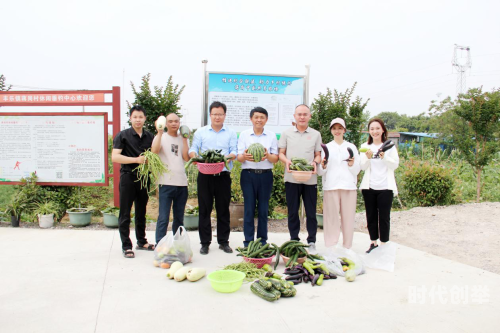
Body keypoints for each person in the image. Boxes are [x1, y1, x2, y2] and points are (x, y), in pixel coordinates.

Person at [189, 101, 237, 255]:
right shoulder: (200, 132)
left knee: (223, 210)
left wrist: (224, 158)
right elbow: (193, 149)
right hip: (205, 175)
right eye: (215, 114)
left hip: (223, 175)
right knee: (204, 210)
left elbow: (234, 152)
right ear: (210, 115)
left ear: (224, 115)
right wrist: (195, 157)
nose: (217, 117)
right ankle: (205, 243)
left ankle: (223, 242)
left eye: (220, 114)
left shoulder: (230, 133)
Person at [112, 105, 155, 258]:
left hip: (143, 178)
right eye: (135, 117)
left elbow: (155, 155)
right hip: (128, 177)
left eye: (140, 117)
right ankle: (126, 245)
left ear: (145, 119)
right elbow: (115, 157)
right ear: (130, 118)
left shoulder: (150, 137)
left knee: (141, 211)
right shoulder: (122, 136)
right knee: (125, 212)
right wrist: (136, 160)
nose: (138, 120)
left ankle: (142, 241)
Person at [278, 104, 322, 251]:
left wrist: (315, 162)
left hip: (310, 178)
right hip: (291, 178)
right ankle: (294, 240)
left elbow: (318, 154)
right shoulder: (287, 133)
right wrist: (287, 162)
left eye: (305, 114)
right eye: (299, 114)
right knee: (292, 211)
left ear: (310, 116)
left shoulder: (316, 134)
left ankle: (311, 241)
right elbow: (281, 153)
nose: (302, 117)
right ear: (294, 116)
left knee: (311, 212)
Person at [237, 107, 279, 247]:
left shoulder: (271, 136)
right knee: (249, 209)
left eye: (262, 117)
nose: (259, 120)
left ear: (266, 119)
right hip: (248, 175)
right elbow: (239, 157)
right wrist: (245, 156)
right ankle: (248, 241)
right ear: (251, 119)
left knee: (263, 209)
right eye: (256, 117)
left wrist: (267, 156)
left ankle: (262, 241)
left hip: (265, 176)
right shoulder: (244, 135)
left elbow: (275, 158)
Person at [317, 118, 360, 250]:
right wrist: (323, 166)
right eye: (334, 128)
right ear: (331, 130)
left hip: (348, 186)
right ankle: (331, 246)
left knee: (348, 218)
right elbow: (320, 172)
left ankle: (347, 247)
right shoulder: (326, 148)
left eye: (340, 128)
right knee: (331, 219)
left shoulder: (351, 147)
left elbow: (357, 170)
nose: (337, 131)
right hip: (331, 186)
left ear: (344, 130)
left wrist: (351, 165)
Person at [359, 118, 400, 253]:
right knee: (371, 216)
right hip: (369, 187)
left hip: (385, 188)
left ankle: (384, 245)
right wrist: (367, 157)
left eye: (377, 128)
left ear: (382, 130)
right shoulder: (365, 146)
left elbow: (395, 165)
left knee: (384, 217)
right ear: (369, 131)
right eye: (372, 129)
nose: (375, 131)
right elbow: (363, 167)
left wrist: (384, 157)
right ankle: (373, 243)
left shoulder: (389, 146)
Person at [151, 113, 190, 245]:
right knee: (163, 217)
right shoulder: (161, 137)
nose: (174, 124)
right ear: (166, 123)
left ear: (179, 123)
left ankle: (178, 244)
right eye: (171, 121)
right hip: (165, 183)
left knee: (179, 218)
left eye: (176, 121)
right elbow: (154, 151)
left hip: (181, 183)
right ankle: (160, 245)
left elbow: (186, 157)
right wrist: (159, 132)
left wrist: (185, 139)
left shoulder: (182, 139)